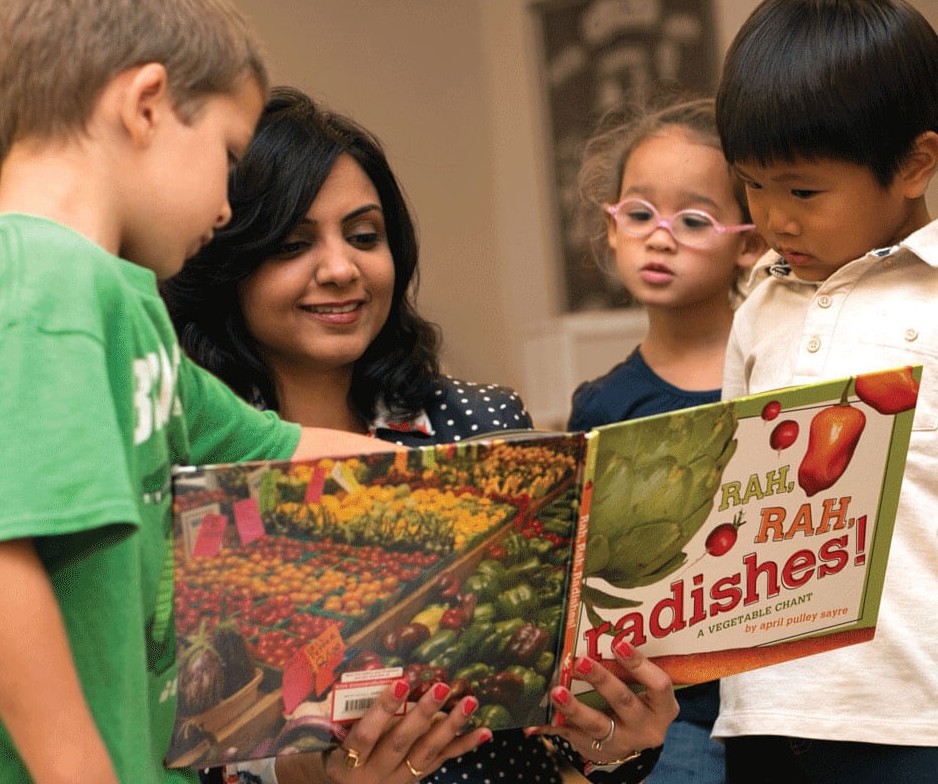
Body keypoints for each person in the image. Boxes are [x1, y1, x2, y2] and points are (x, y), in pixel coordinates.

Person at [0, 2, 484, 783]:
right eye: (228, 156)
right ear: (145, 106)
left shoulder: (123, 303)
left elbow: (286, 454)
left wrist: (512, 508)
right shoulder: (38, 280)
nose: (228, 207)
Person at [162, 86, 679, 784]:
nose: (342, 267)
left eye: (365, 236)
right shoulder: (192, 471)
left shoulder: (481, 427)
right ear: (227, 261)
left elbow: (552, 719)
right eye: (292, 243)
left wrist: (617, 741)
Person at [712, 1, 938, 782]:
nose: (773, 219)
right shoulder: (759, 308)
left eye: (804, 193)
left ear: (913, 165)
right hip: (764, 711)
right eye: (752, 187)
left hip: (913, 718)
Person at [566, 93, 765, 783]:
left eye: (694, 218)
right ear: (611, 226)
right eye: (641, 213)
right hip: (673, 713)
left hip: (783, 695)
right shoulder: (602, 405)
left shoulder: (779, 375)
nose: (660, 235)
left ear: (751, 242)